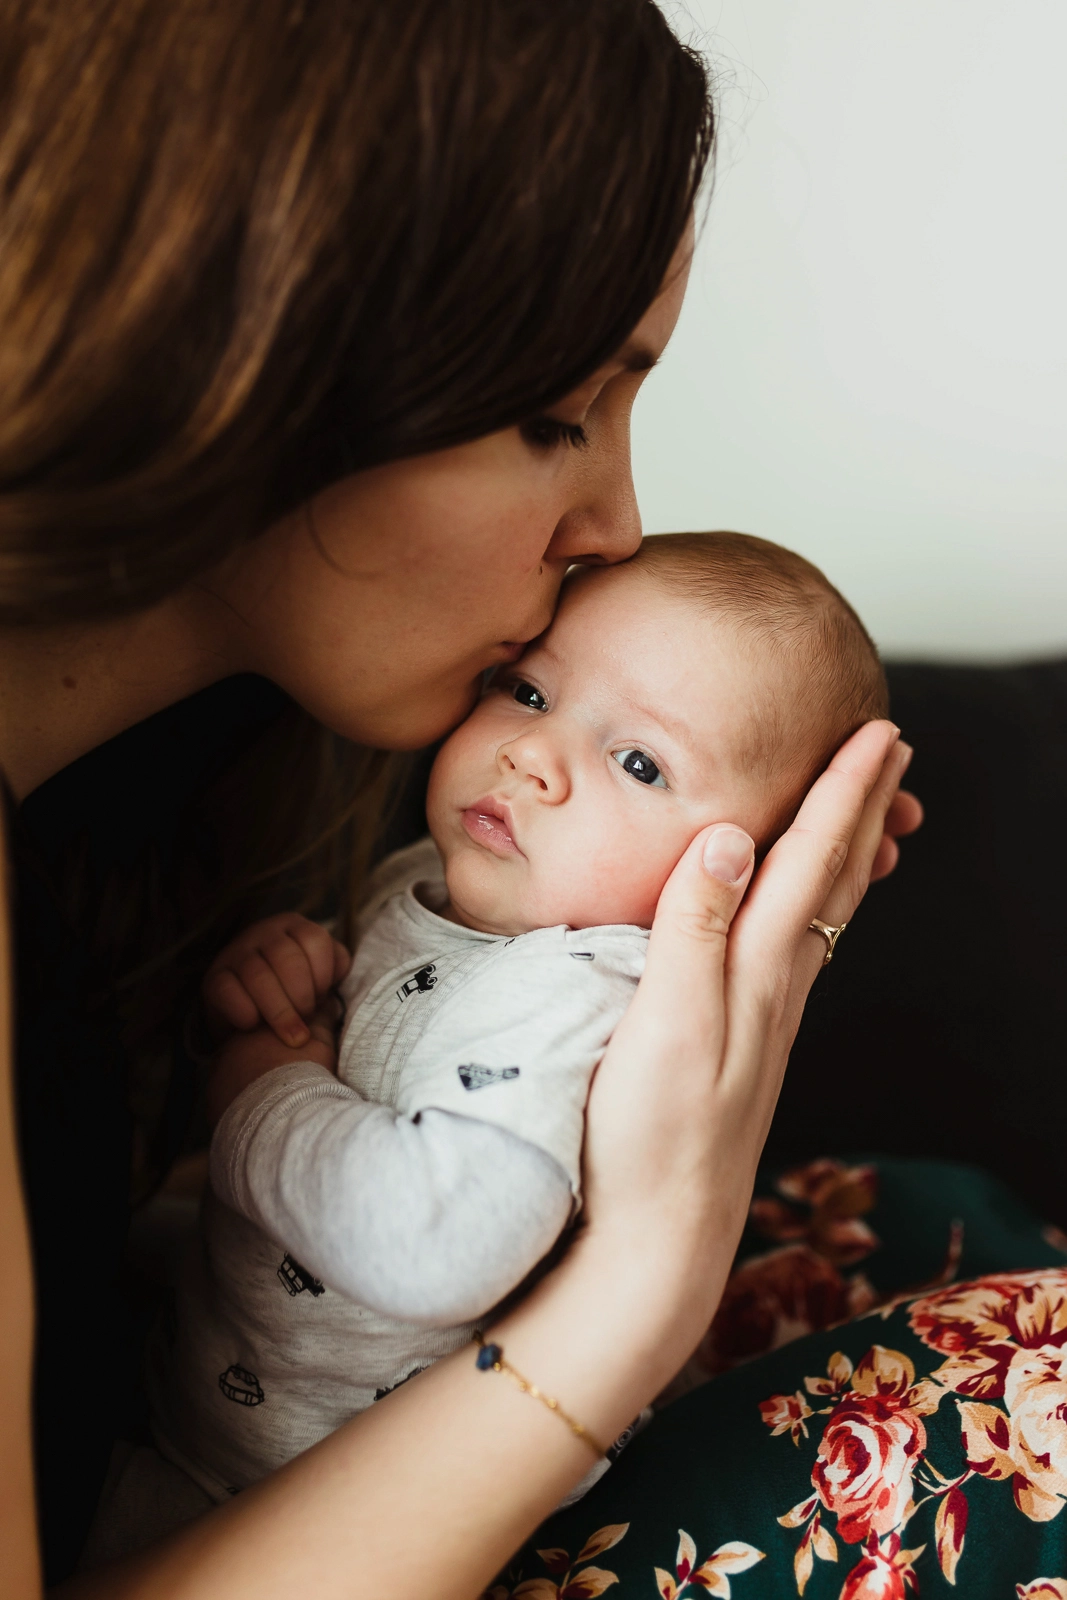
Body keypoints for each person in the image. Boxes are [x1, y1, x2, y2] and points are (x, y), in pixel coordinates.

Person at [0, 3, 919, 1595]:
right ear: (252, 360)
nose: (616, 527)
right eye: (556, 413)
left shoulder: (275, 805)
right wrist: (645, 1268)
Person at [81, 532, 889, 1552]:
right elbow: (391, 1030)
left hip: (342, 1518)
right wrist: (297, 978)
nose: (530, 756)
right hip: (207, 1403)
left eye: (638, 760)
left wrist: (260, 1079)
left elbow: (434, 1242)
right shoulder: (447, 875)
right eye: (527, 691)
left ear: (755, 874)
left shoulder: (580, 992)